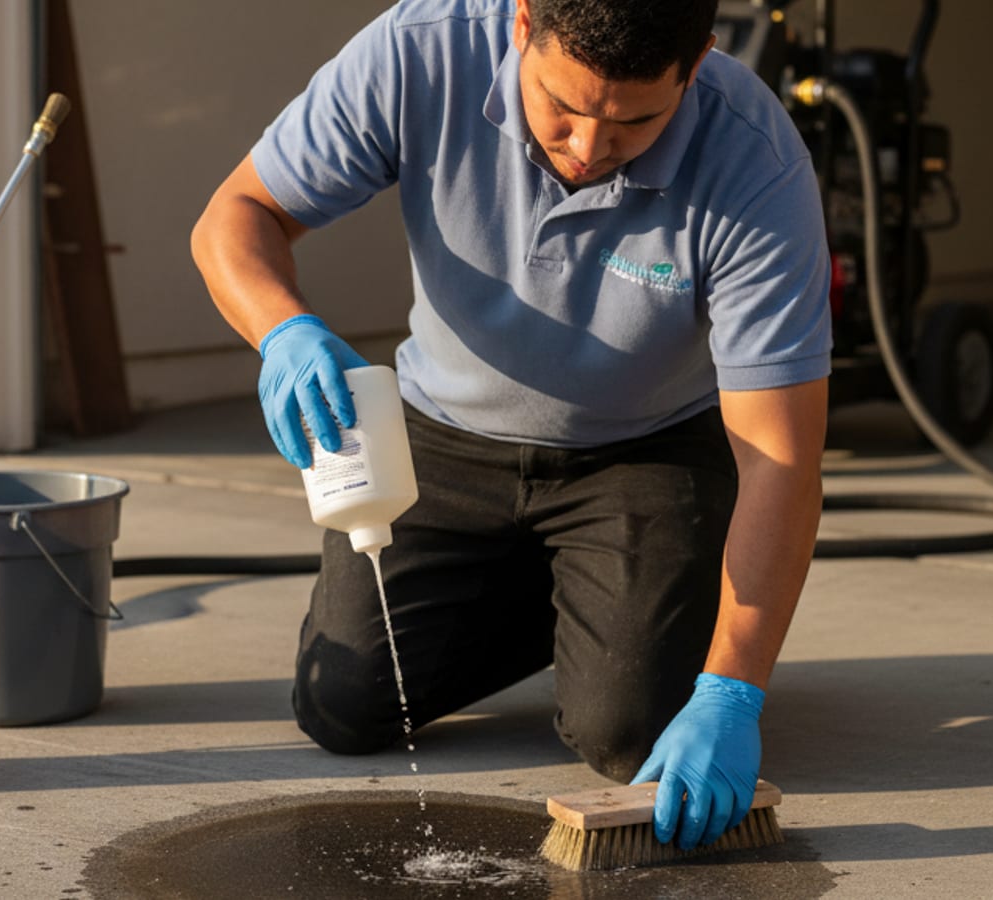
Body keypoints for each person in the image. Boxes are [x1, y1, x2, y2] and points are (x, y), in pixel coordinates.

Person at [191, 0, 828, 852]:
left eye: (636, 119)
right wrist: (283, 331)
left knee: (627, 733)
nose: (589, 148)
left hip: (643, 447)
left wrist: (733, 692)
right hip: (444, 434)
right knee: (341, 706)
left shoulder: (756, 160)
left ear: (700, 60)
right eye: (562, 107)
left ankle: (618, 599)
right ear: (522, 22)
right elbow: (235, 215)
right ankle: (579, 595)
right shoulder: (420, 54)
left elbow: (782, 459)